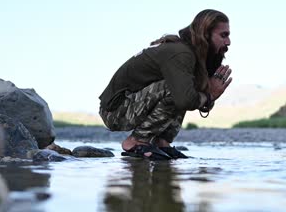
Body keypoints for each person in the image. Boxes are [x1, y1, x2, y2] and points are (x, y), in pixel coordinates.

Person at [99, 9, 232, 159]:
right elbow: (186, 100)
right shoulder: (181, 53)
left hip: (131, 105)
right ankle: (137, 141)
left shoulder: (192, 55)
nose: (228, 42)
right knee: (178, 89)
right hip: (114, 111)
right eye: (223, 35)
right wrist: (209, 95)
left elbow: (197, 100)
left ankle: (161, 142)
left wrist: (209, 95)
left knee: (184, 87)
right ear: (205, 34)